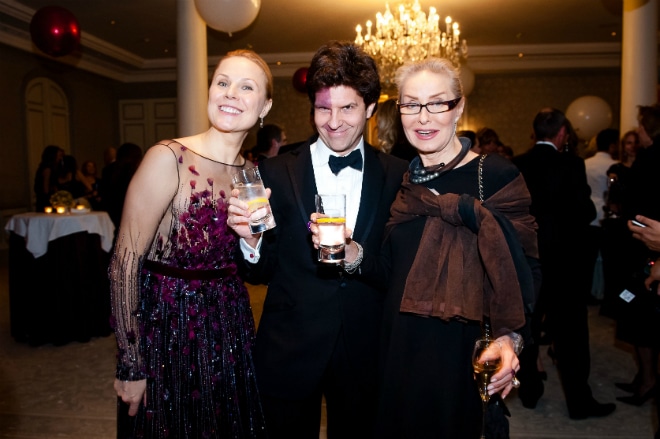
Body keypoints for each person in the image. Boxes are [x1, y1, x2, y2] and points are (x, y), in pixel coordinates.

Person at [307, 56, 537, 438]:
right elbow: (391, 271)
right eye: (411, 105)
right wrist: (350, 252)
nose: (423, 117)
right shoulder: (403, 180)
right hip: (396, 345)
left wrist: (510, 338)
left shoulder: (494, 175)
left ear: (458, 108)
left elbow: (526, 269)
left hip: (458, 351)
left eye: (437, 103)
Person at [227, 41, 409, 439]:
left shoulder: (398, 175)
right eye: (323, 108)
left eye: (348, 108)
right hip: (290, 345)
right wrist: (249, 242)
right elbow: (260, 271)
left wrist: (357, 255)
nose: (334, 122)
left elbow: (399, 269)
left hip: (366, 346)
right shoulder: (274, 172)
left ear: (370, 108)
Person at [110, 49, 273, 438]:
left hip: (230, 328)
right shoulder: (167, 158)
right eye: (223, 82)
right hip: (168, 329)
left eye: (246, 87)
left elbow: (254, 262)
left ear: (264, 107)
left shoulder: (252, 175)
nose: (230, 93)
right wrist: (131, 364)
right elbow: (123, 266)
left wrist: (254, 239)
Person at [513, 108, 616, 419]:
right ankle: (579, 402)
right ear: (561, 134)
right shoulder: (571, 163)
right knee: (571, 334)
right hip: (564, 262)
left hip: (529, 261)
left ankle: (529, 391)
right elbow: (584, 211)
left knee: (527, 328)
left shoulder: (518, 163)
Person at [613, 104, 660, 408]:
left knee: (642, 320)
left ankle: (648, 380)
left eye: (641, 126)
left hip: (645, 249)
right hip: (647, 248)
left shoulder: (651, 158)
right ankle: (645, 376)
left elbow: (634, 203)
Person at [584, 128, 619, 303]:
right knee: (609, 261)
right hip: (607, 217)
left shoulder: (585, 164)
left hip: (589, 216)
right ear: (612, 146)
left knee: (587, 261)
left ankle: (587, 293)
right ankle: (608, 296)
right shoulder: (615, 165)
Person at [99, 142, 143, 231]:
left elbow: (104, 191)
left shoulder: (108, 170)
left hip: (112, 211)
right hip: (131, 212)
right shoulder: (135, 171)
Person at [34, 144, 64, 211]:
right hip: (46, 201)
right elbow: (46, 189)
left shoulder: (52, 169)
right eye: (59, 156)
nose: (60, 158)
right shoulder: (47, 169)